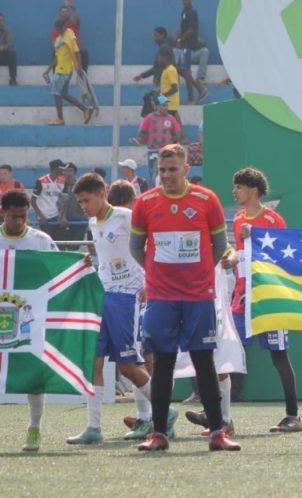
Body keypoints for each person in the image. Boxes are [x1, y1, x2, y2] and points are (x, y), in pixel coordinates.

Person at [129, 143, 239, 452]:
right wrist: (158, 275)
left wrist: (201, 274)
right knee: (162, 362)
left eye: (172, 169)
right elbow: (137, 248)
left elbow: (220, 245)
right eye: (161, 170)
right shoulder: (145, 202)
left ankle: (218, 432)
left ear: (186, 169)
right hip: (162, 296)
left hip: (198, 295)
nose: (166, 175)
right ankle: (159, 434)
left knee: (204, 361)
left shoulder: (207, 199)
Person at [65, 173, 156, 445]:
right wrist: (91, 260)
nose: (83, 206)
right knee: (95, 360)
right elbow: (107, 253)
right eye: (80, 202)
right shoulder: (94, 223)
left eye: (86, 200)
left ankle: (162, 411)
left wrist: (149, 281)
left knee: (128, 365)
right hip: (103, 295)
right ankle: (93, 427)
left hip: (128, 296)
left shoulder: (126, 217)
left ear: (103, 193)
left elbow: (151, 245)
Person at [219, 167, 302, 433]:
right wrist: (230, 258)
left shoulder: (273, 219)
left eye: (239, 187)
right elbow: (239, 252)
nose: (235, 192)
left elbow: (281, 256)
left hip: (269, 298)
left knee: (279, 357)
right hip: (242, 297)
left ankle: (293, 416)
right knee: (227, 350)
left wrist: (254, 235)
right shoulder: (238, 217)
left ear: (252, 190)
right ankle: (222, 417)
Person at [1, 189, 59, 452]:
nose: (19, 222)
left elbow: (60, 270)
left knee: (34, 374)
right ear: (3, 213)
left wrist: (81, 264)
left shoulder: (40, 240)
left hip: (28, 318)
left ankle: (34, 428)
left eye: (24, 216)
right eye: (14, 217)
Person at [43, 14, 92, 126]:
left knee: (56, 93)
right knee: (63, 94)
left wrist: (79, 66)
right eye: (57, 29)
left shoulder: (69, 35)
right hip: (59, 68)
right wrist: (48, 69)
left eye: (60, 29)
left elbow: (76, 51)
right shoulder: (60, 38)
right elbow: (57, 56)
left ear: (64, 26)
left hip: (65, 70)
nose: (58, 31)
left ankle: (60, 119)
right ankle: (85, 110)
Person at [176, 0, 207, 104]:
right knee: (182, 70)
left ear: (190, 0)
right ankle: (199, 90)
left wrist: (180, 39)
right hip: (184, 45)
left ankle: (192, 97)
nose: (185, 1)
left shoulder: (192, 12)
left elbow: (190, 30)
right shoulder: (184, 12)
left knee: (185, 71)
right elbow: (184, 29)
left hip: (188, 45)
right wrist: (178, 36)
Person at [31, 159, 68, 239]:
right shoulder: (41, 181)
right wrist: (41, 216)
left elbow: (64, 201)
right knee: (47, 240)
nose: (63, 170)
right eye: (62, 168)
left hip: (57, 217)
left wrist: (63, 216)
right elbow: (33, 201)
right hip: (45, 217)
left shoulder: (63, 182)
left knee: (58, 242)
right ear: (56, 169)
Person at [0, 11, 17, 85]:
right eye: (0, 21)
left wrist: (2, 47)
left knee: (12, 54)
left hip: (2, 55)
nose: (1, 22)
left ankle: (13, 79)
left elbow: (10, 43)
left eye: (2, 20)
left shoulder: (7, 30)